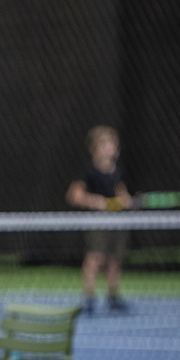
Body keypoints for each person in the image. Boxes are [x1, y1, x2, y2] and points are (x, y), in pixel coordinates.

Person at [66, 126, 132, 313]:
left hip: (116, 222)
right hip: (98, 223)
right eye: (104, 144)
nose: (109, 147)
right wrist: (95, 201)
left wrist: (125, 200)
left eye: (112, 144)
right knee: (95, 258)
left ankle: (113, 297)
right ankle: (89, 298)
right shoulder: (88, 172)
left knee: (115, 259)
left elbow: (121, 194)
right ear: (94, 148)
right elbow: (74, 195)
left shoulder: (117, 172)